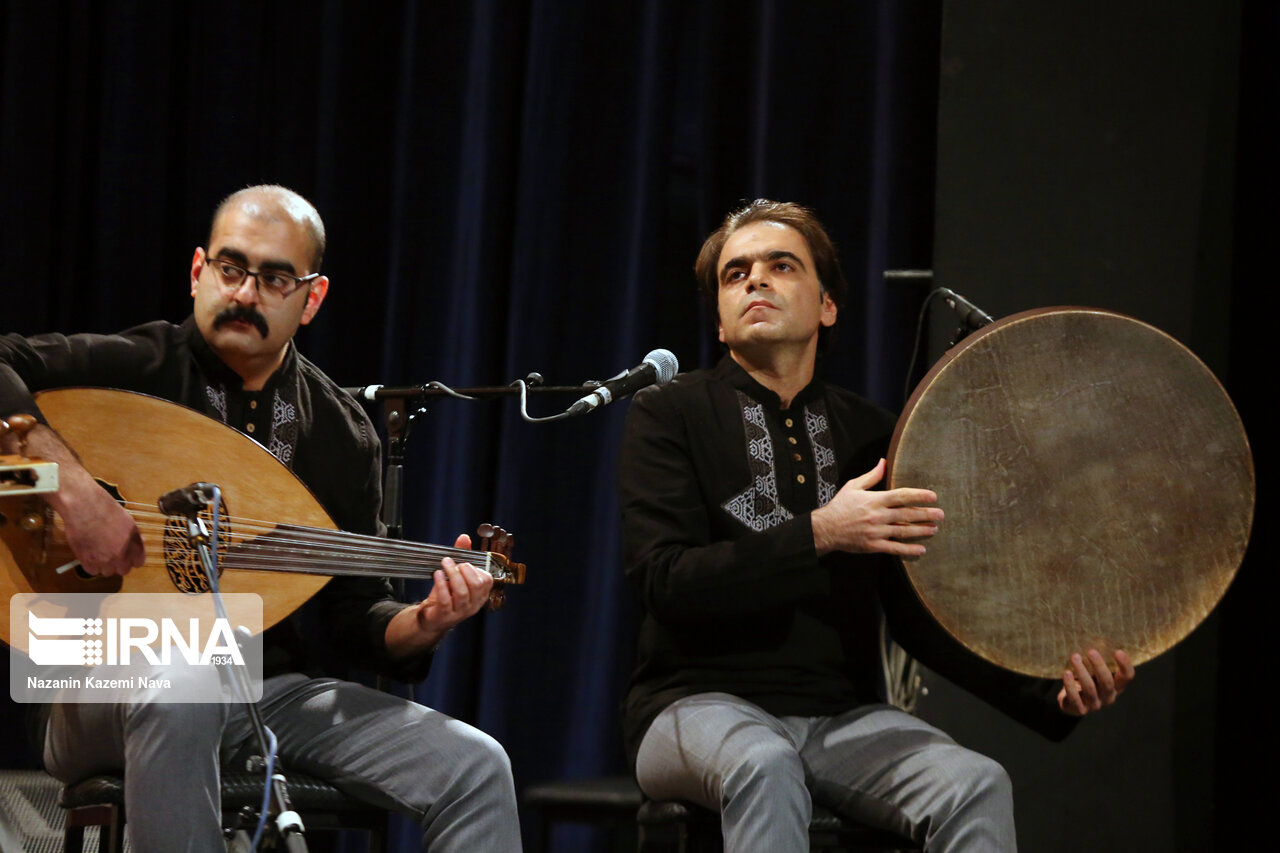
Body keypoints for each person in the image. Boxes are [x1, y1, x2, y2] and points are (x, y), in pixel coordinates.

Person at [0, 185, 522, 852]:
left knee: (476, 765)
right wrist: (71, 486)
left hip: (268, 688)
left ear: (312, 298)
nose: (245, 292)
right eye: (230, 267)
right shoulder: (138, 367)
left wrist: (426, 621)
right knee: (187, 676)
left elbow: (352, 617)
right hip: (91, 674)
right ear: (198, 271)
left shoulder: (340, 433)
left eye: (274, 277)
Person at [618, 199, 1134, 852]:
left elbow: (915, 612)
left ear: (827, 305)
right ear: (720, 323)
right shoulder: (667, 413)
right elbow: (666, 580)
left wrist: (1046, 690)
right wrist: (821, 532)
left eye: (781, 265)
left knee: (975, 782)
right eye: (734, 273)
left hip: (842, 717)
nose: (755, 280)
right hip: (689, 704)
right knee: (763, 762)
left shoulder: (874, 433)